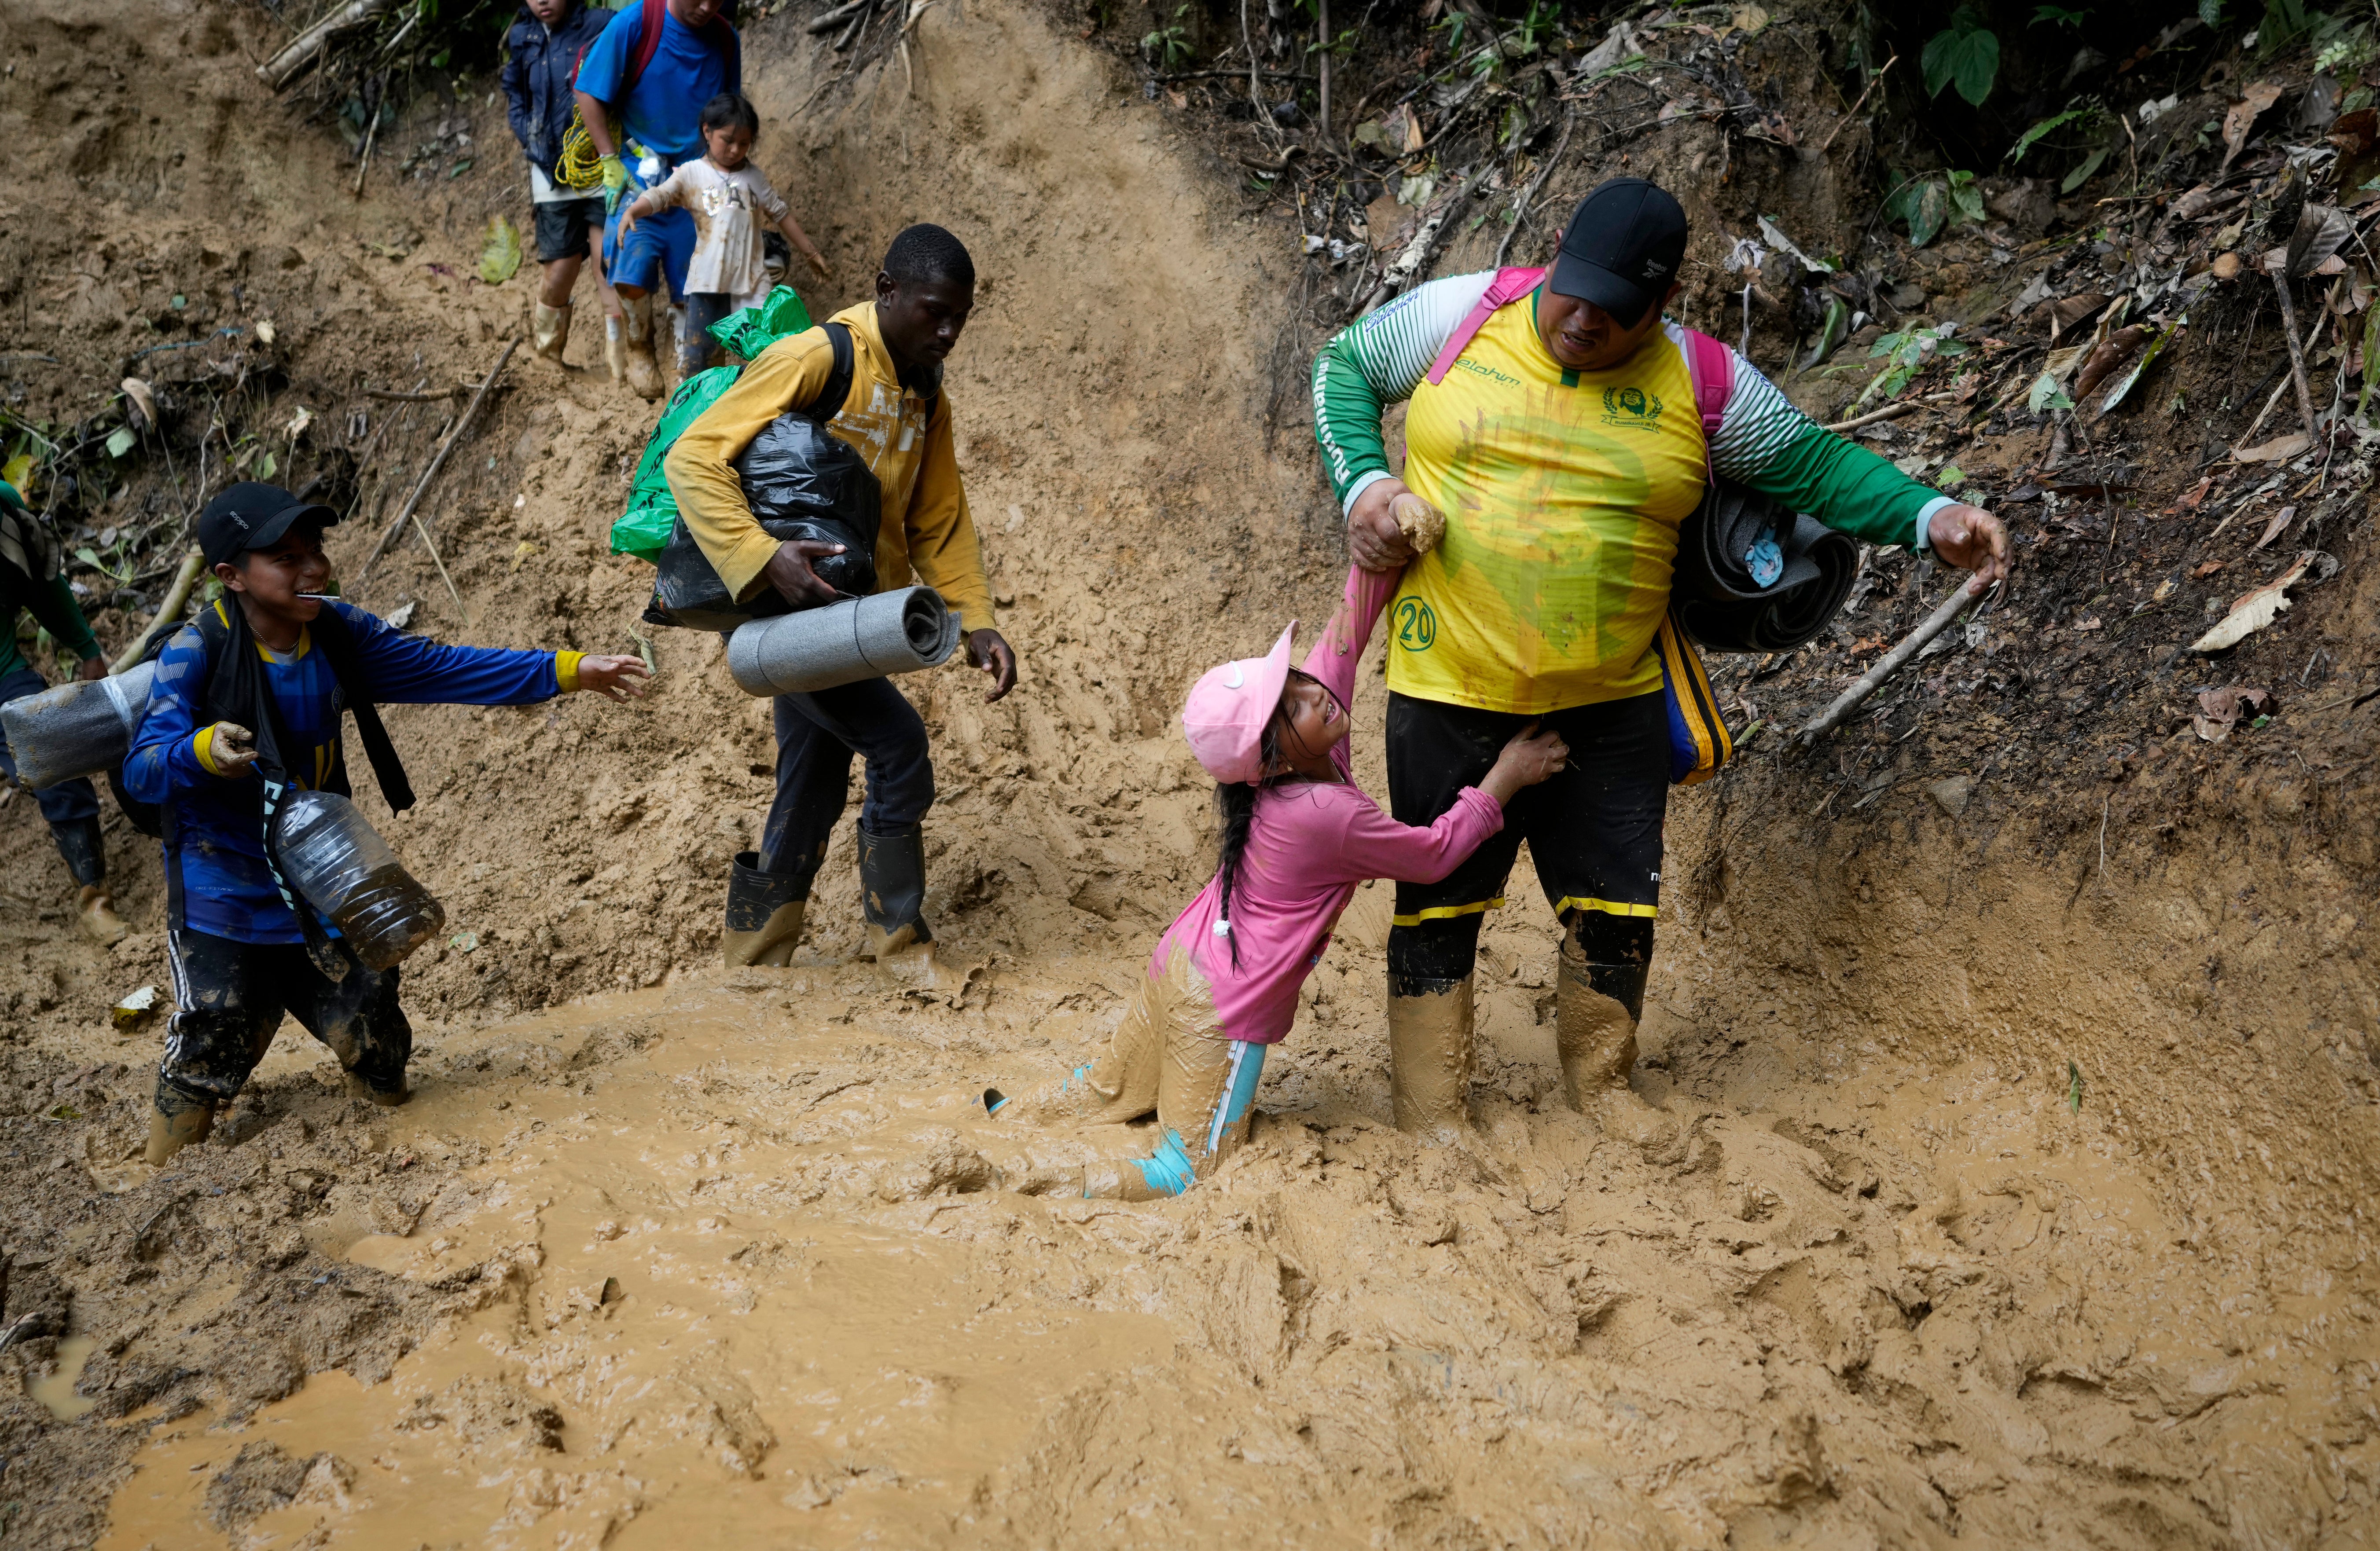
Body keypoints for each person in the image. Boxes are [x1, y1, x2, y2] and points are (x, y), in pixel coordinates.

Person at [1310, 177, 2012, 1149]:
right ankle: (1430, 1109)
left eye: (1616, 307)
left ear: (1664, 302)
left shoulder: (1703, 379)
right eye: (1572, 290)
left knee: (1615, 910)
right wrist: (1365, 482)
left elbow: (1813, 467)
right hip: (1447, 687)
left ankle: (1602, 1094)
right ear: (1553, 258)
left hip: (1613, 700)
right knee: (1440, 903)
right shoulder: (1461, 317)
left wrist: (1930, 515)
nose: (1583, 320)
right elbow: (1342, 366)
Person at [983, 563, 1568, 1198]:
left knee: (1109, 1091)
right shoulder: (1326, 814)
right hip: (1222, 1012)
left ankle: (1002, 1116)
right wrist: (1508, 775)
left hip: (1182, 963)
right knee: (1184, 1171)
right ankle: (1026, 1187)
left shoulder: (1296, 758)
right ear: (1276, 757)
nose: (1315, 694)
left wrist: (1371, 563)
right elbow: (1432, 855)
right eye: (1292, 702)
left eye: (1296, 682)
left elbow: (1340, 649)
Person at [123, 482, 650, 1166]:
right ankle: (160, 1181)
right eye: (286, 558)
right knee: (212, 1041)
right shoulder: (196, 653)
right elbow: (142, 770)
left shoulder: (339, 632)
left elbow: (443, 668)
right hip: (223, 884)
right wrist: (200, 751)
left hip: (324, 874)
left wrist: (573, 670)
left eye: (315, 550)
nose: (314, 569)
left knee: (374, 1031)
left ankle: (395, 1156)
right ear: (232, 577)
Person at [665, 223, 1018, 983]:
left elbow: (939, 517)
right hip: (793, 619)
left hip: (850, 618)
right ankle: (900, 950)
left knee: (813, 779)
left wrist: (977, 623)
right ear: (887, 292)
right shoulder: (820, 357)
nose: (949, 331)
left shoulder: (926, 393)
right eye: (933, 311)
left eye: (960, 316)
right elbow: (693, 454)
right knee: (899, 748)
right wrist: (763, 559)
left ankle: (753, 963)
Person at [572, 0, 743, 399]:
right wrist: (609, 159)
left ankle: (688, 362)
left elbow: (731, 112)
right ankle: (639, 348)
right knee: (632, 277)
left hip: (696, 186)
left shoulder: (724, 40)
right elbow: (588, 92)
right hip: (638, 180)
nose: (705, 8)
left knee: (697, 282)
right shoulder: (636, 23)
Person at [617, 92, 831, 379]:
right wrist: (633, 211)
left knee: (766, 357)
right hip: (708, 283)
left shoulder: (753, 177)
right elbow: (661, 195)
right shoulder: (693, 173)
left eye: (744, 143)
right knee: (700, 363)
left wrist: (811, 252)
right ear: (707, 131)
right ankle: (697, 417)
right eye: (727, 141)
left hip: (752, 282)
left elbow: (780, 214)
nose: (735, 150)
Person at [0, 478, 126, 944]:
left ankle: (95, 900)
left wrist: (86, 647)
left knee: (53, 750)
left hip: (2, 673)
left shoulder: (5, 508)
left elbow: (42, 586)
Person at [503, 0, 626, 379]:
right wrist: (528, 132)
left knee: (606, 257)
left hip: (596, 159)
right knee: (561, 267)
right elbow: (514, 90)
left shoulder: (603, 24)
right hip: (548, 165)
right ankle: (547, 355)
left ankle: (623, 364)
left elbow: (629, 69)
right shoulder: (521, 35)